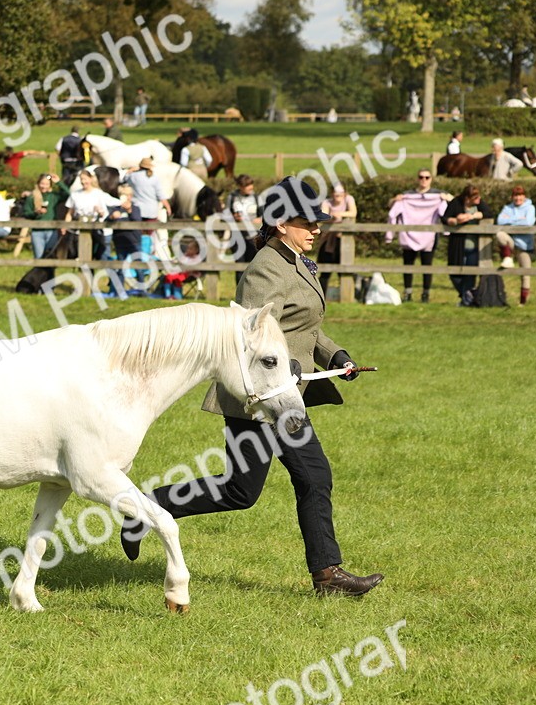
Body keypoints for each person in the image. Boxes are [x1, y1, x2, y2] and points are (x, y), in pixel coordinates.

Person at [120, 176, 382, 598]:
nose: (317, 229)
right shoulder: (266, 268)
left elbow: (304, 326)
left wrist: (337, 357)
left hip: (282, 392)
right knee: (310, 476)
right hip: (259, 397)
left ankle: (148, 507)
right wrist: (290, 366)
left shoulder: (295, 260)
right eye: (307, 222)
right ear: (281, 223)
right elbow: (252, 335)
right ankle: (329, 576)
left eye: (318, 222)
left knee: (241, 491)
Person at [387, 170, 450, 303]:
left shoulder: (438, 195)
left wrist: (449, 199)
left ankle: (425, 293)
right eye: (421, 177)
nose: (424, 180)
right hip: (408, 236)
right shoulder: (407, 195)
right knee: (408, 265)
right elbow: (392, 212)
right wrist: (394, 200)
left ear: (431, 179)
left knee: (427, 265)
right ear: (417, 179)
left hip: (429, 236)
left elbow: (447, 211)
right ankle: (408, 292)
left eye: (427, 177)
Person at [443, 184, 489, 305]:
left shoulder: (479, 204)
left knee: (470, 274)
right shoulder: (456, 203)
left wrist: (472, 216)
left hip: (474, 246)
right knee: (454, 273)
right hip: (458, 245)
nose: (478, 200)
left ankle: (466, 300)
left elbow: (488, 212)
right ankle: (465, 296)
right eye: (475, 198)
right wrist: (455, 221)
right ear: (467, 198)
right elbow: (445, 217)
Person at [65, 168, 120, 260]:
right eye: (81, 179)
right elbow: (70, 213)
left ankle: (113, 273)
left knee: (104, 257)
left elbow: (113, 206)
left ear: (90, 179)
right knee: (83, 257)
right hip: (81, 230)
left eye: (85, 179)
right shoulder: (75, 195)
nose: (83, 181)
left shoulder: (99, 194)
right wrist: (65, 226)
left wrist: (100, 212)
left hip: (99, 230)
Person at [496, 185, 536, 305]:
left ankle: (522, 302)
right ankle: (508, 257)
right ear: (512, 197)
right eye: (515, 196)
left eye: (520, 195)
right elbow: (500, 221)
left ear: (524, 196)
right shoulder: (507, 208)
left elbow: (528, 222)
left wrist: (511, 221)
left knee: (525, 273)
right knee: (500, 234)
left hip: (524, 245)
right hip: (511, 243)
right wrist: (519, 220)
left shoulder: (530, 208)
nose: (518, 198)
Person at [317, 182, 356, 295]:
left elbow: (353, 212)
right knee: (325, 271)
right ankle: (321, 296)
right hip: (328, 239)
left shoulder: (349, 199)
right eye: (335, 194)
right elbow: (323, 217)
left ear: (344, 194)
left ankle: (348, 295)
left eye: (340, 194)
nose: (337, 196)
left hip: (343, 240)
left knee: (344, 270)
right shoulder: (327, 202)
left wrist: (340, 214)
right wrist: (332, 217)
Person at [20, 173, 68, 259]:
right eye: (42, 183)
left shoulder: (53, 196)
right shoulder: (32, 197)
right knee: (39, 257)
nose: (44, 186)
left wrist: (58, 182)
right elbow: (26, 213)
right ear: (38, 184)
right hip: (37, 231)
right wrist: (36, 213)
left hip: (51, 231)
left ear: (50, 185)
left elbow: (68, 194)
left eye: (46, 184)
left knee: (50, 256)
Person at [227, 174, 263, 284]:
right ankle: (239, 292)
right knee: (239, 266)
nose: (251, 187)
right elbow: (225, 215)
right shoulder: (232, 197)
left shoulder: (257, 198)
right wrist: (233, 217)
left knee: (253, 265)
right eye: (247, 185)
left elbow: (264, 215)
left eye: (251, 184)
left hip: (253, 237)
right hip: (238, 236)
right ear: (240, 186)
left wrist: (258, 220)